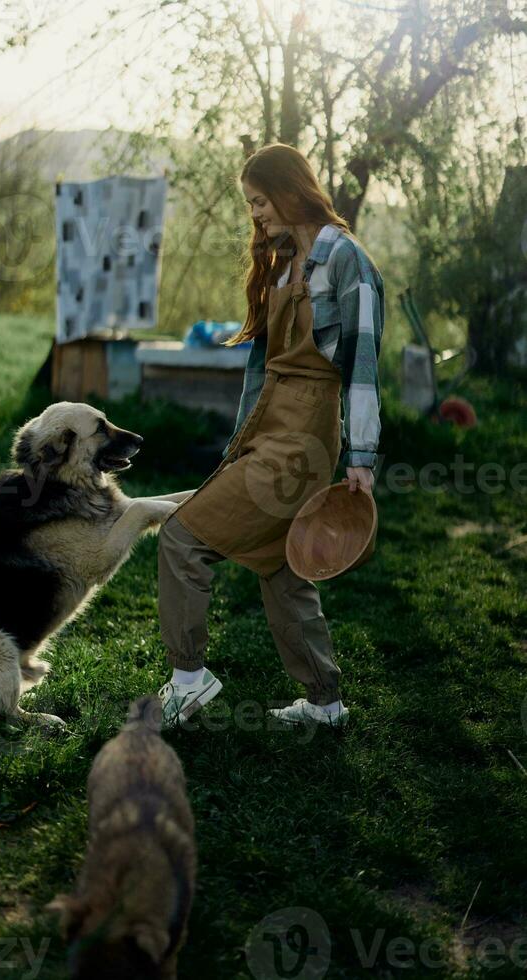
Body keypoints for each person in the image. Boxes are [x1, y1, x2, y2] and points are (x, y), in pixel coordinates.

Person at [156, 143, 384, 731]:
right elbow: (265, 365)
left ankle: (189, 681)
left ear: (289, 190)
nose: (255, 213)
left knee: (182, 537)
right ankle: (326, 703)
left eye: (259, 200)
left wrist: (361, 455)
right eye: (251, 203)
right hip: (272, 422)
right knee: (284, 569)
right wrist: (242, 439)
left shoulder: (344, 258)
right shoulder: (284, 258)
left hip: (305, 433)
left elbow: (361, 366)